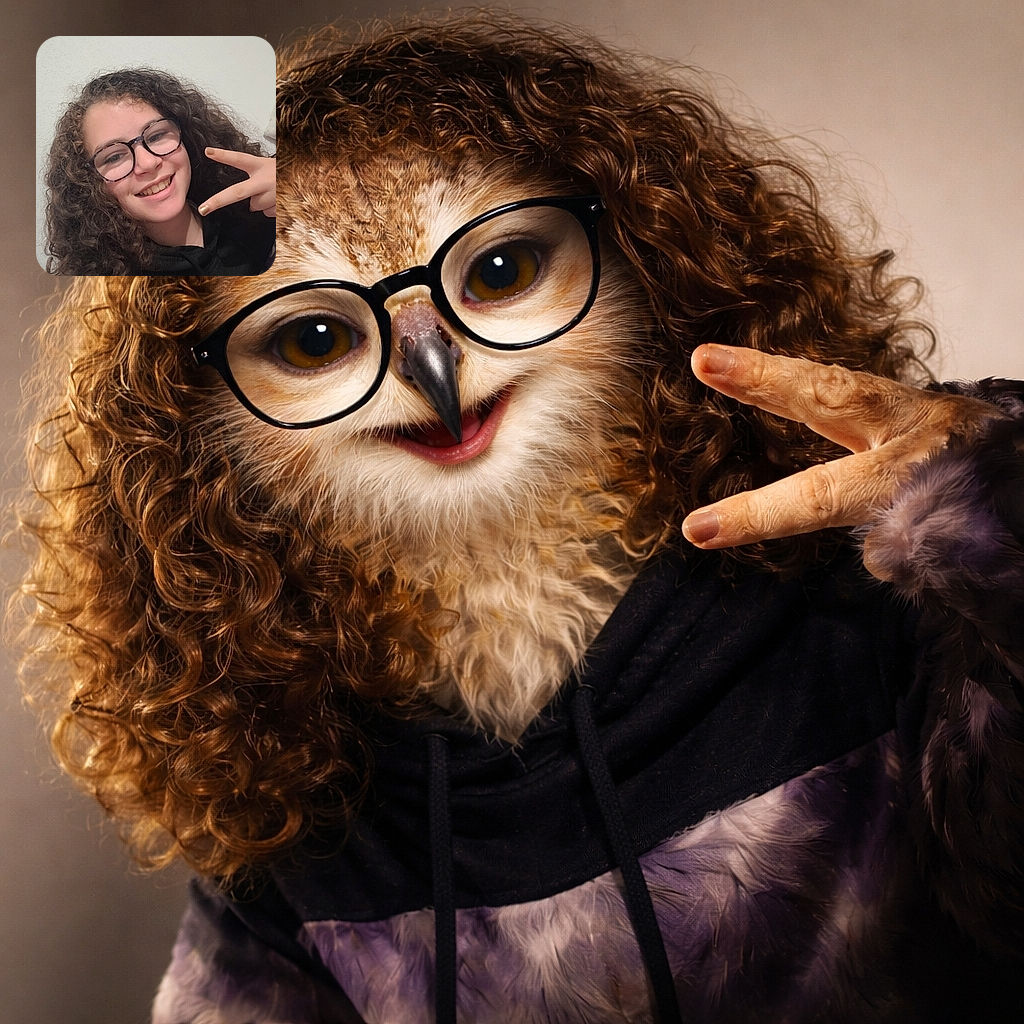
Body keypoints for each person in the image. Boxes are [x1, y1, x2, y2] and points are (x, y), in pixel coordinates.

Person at [17, 15, 1024, 1023]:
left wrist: (1004, 508)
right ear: (193, 435)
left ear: (647, 257)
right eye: (314, 339)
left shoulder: (872, 591)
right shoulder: (303, 812)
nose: (432, 363)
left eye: (500, 271)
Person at [43, 67, 275, 275]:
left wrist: (292, 188)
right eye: (114, 157)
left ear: (187, 135)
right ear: (88, 182)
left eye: (156, 136)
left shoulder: (256, 211)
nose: (147, 163)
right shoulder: (109, 287)